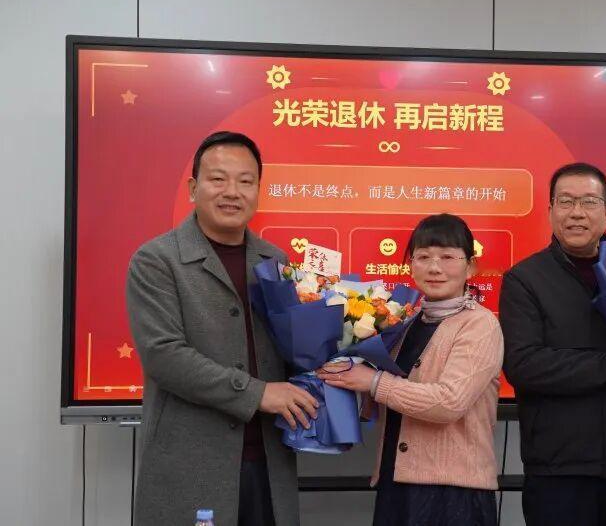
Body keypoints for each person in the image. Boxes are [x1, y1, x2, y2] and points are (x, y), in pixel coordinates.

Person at [127, 131, 317, 526]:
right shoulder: (157, 260)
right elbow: (164, 356)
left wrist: (335, 371)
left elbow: (291, 348)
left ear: (258, 191)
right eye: (218, 179)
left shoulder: (275, 260)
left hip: (269, 463)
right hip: (193, 464)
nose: (232, 192)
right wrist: (258, 393)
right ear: (193, 188)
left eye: (246, 181)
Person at [499, 162, 606, 526]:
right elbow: (523, 365)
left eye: (588, 202)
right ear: (550, 210)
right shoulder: (525, 279)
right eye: (566, 201)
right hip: (558, 467)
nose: (576, 213)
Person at [320, 213, 503, 526]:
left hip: (453, 492)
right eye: (423, 257)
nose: (434, 267)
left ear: (470, 267)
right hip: (396, 480)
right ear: (410, 265)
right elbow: (384, 395)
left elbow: (449, 402)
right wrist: (337, 377)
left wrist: (373, 382)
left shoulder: (480, 325)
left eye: (448, 257)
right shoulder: (405, 322)